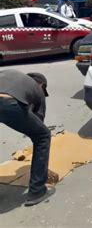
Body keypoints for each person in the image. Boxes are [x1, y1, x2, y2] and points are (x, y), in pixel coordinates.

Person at [0, 70, 55, 206]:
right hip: (7, 102)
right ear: (41, 84)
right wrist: (42, 168)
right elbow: (38, 123)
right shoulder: (37, 89)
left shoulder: (11, 74)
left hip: (6, 99)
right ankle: (37, 191)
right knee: (43, 136)